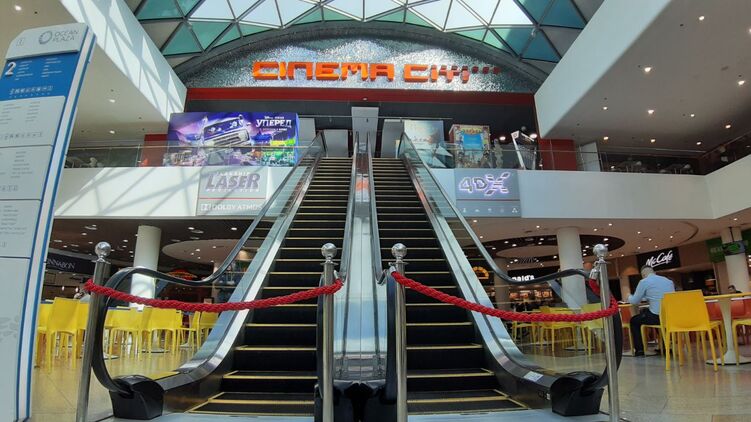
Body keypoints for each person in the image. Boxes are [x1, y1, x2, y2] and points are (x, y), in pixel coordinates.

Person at [627, 265, 675, 356]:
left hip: (656, 317)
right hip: (670, 316)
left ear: (643, 275)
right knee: (654, 316)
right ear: (654, 272)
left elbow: (634, 301)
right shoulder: (668, 281)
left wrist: (628, 296)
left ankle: (639, 350)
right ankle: (665, 347)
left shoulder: (644, 281)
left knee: (634, 321)